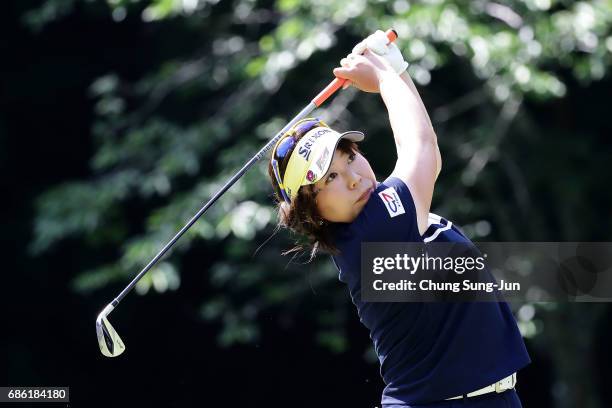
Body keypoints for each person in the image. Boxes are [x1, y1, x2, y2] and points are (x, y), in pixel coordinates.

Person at [267, 31, 531, 407]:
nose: (354, 176)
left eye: (349, 158)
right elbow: (422, 149)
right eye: (330, 178)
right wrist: (387, 76)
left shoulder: (381, 216)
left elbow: (416, 147)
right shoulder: (370, 235)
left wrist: (395, 66)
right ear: (312, 212)